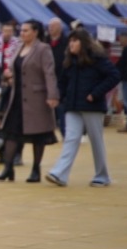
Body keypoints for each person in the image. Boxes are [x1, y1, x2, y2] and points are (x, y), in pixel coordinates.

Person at [44, 28, 119, 188]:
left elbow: (114, 76)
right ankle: (59, 173)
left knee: (96, 141)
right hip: (72, 106)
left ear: (83, 43)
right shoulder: (69, 61)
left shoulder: (97, 59)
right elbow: (63, 82)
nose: (71, 44)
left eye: (75, 41)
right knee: (71, 138)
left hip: (92, 106)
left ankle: (102, 176)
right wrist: (58, 97)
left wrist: (95, 93)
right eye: (70, 41)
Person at [0, 19, 59, 183]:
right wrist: (7, 76)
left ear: (35, 32)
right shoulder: (18, 47)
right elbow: (13, 69)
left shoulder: (43, 49)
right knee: (11, 132)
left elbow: (49, 73)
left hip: (37, 98)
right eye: (21, 30)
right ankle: (8, 168)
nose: (21, 33)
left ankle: (35, 170)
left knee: (38, 135)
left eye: (25, 30)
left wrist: (52, 95)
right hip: (16, 97)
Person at [47, 17, 69, 136]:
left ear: (60, 28)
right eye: (50, 26)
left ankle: (64, 132)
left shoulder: (66, 42)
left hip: (61, 79)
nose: (50, 28)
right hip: (47, 79)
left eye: (53, 26)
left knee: (61, 107)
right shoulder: (45, 41)